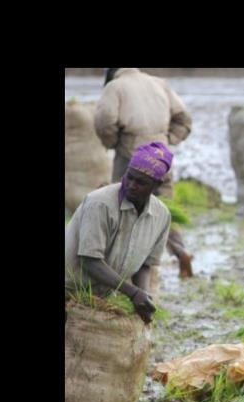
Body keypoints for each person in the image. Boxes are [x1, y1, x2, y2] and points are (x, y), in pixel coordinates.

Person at [94, 67, 194, 277]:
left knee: (124, 211)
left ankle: (129, 268)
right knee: (165, 210)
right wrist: (168, 141)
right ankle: (181, 251)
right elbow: (183, 117)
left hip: (131, 156)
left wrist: (113, 143)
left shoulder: (115, 87)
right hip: (161, 156)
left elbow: (104, 122)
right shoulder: (159, 83)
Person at [65, 142, 175, 324]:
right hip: (69, 289)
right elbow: (90, 260)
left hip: (101, 295)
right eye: (129, 177)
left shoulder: (161, 216)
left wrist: (143, 298)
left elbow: (145, 265)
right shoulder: (100, 203)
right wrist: (133, 293)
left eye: (141, 182)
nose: (131, 185)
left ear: (157, 185)